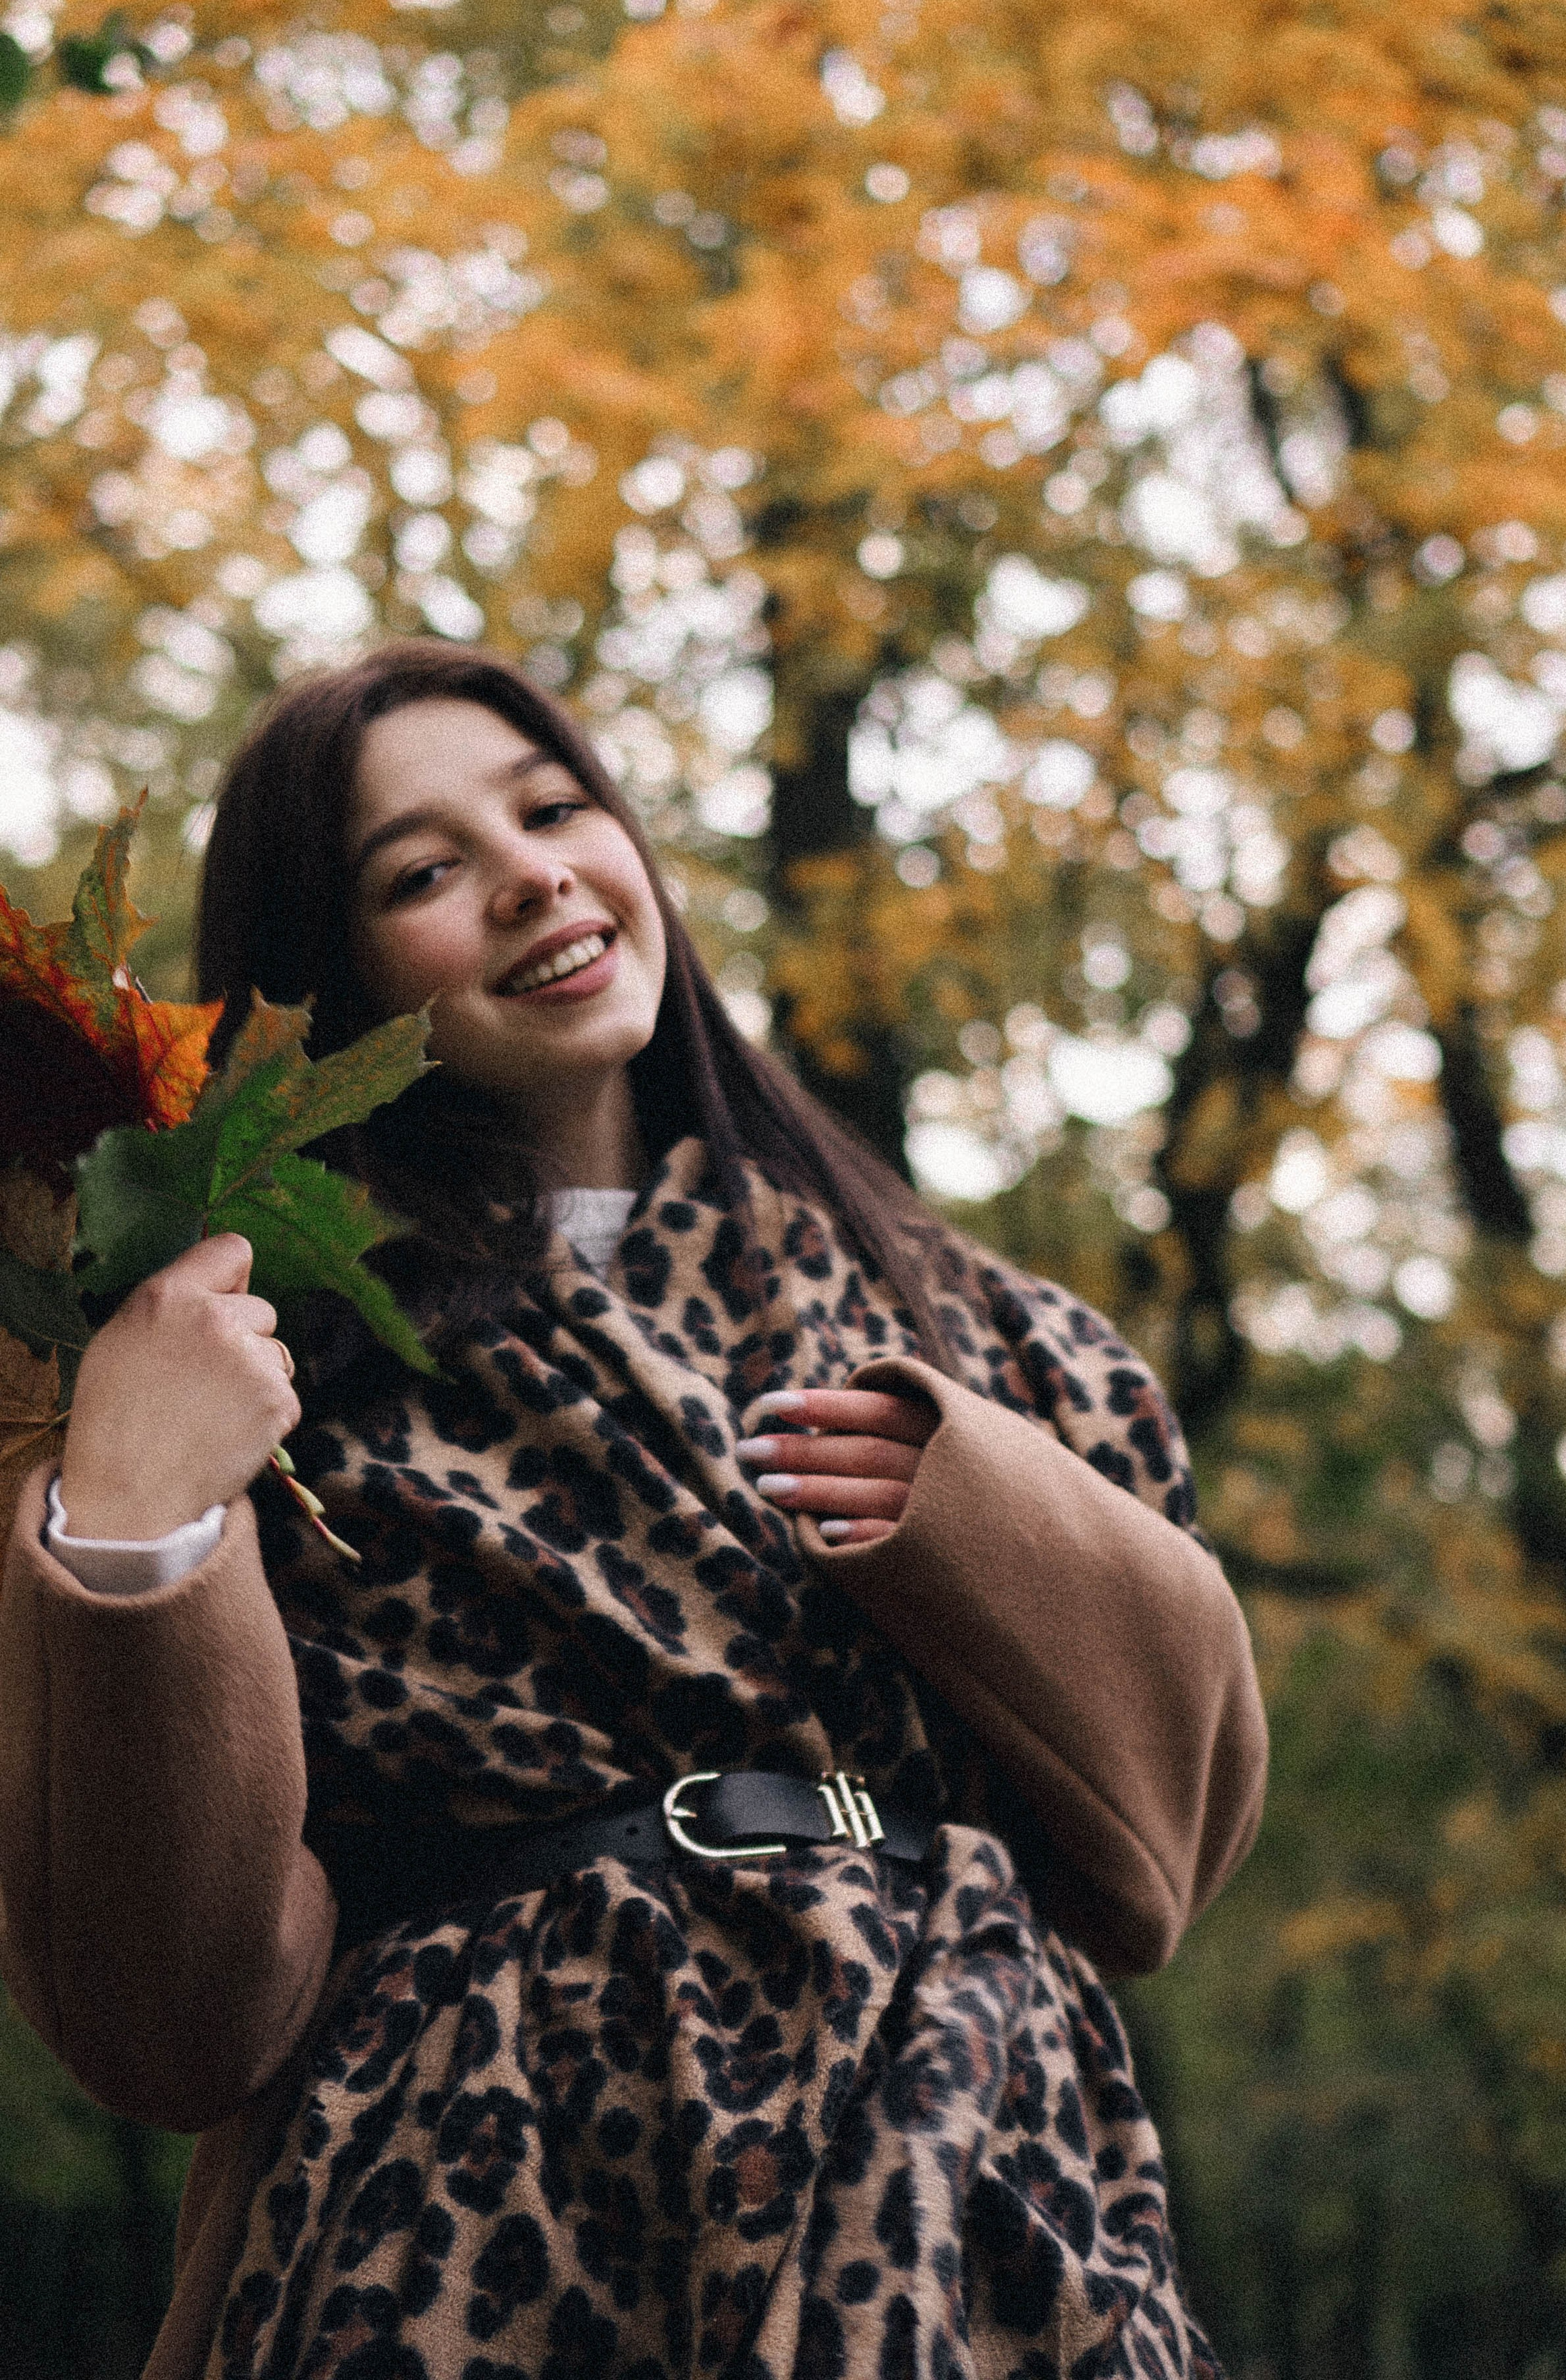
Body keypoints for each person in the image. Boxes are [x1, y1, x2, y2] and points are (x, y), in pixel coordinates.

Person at [0, 641, 1268, 2380]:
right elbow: (170, 2015)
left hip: (964, 2196)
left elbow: (1164, 1863)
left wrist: (978, 1508)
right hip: (467, 2221)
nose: (531, 874)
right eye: (424, 872)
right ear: (326, 979)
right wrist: (140, 1528)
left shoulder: (994, 1342)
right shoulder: (242, 1370)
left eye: (553, 808)